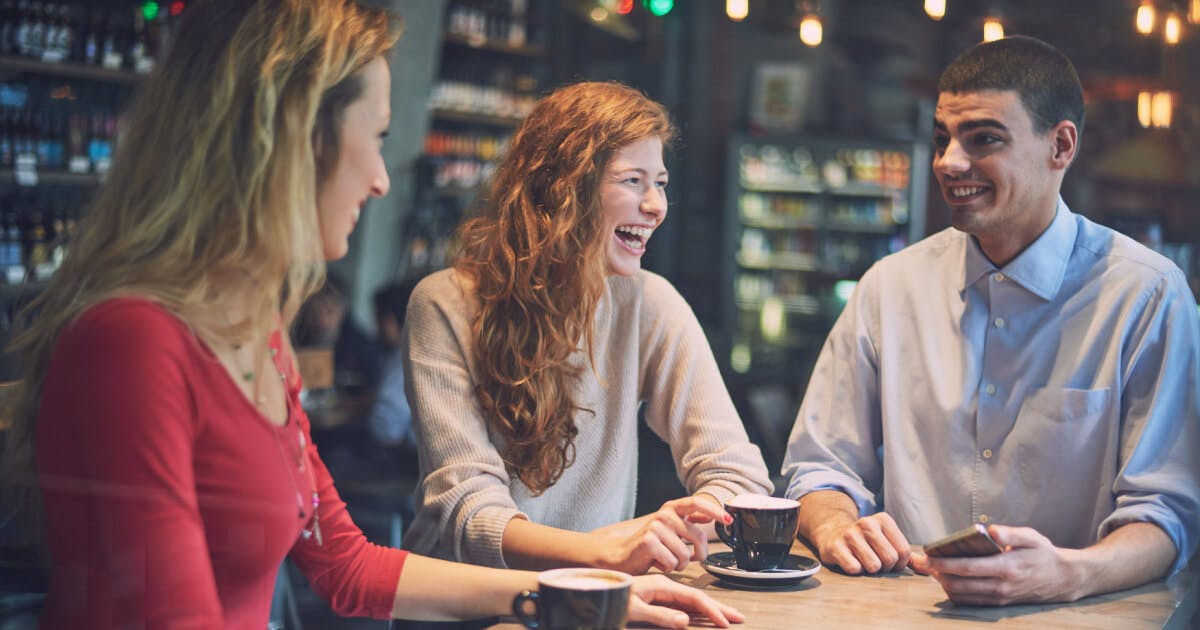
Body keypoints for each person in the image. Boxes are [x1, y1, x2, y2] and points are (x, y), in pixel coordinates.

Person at [0, 2, 743, 628]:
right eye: (378, 138)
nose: (385, 180)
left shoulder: (257, 340)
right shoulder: (131, 345)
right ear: (291, 141)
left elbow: (347, 565)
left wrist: (578, 597)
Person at [781, 35, 1200, 606]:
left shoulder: (1146, 294)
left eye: (983, 139)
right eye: (942, 139)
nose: (949, 162)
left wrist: (1069, 572)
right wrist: (835, 525)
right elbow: (819, 469)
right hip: (901, 613)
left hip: (1078, 617)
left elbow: (1166, 515)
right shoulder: (889, 287)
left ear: (1061, 146)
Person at [402, 81, 773, 574]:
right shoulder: (443, 304)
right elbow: (468, 515)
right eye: (632, 181)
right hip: (464, 609)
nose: (656, 206)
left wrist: (687, 523)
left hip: (591, 601)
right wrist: (609, 550)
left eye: (660, 182)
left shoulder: (649, 303)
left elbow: (739, 473)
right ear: (563, 188)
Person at [367, 279, 419, 448]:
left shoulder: (405, 358)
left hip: (401, 459)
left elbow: (388, 427)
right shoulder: (411, 352)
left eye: (377, 319)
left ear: (389, 321)